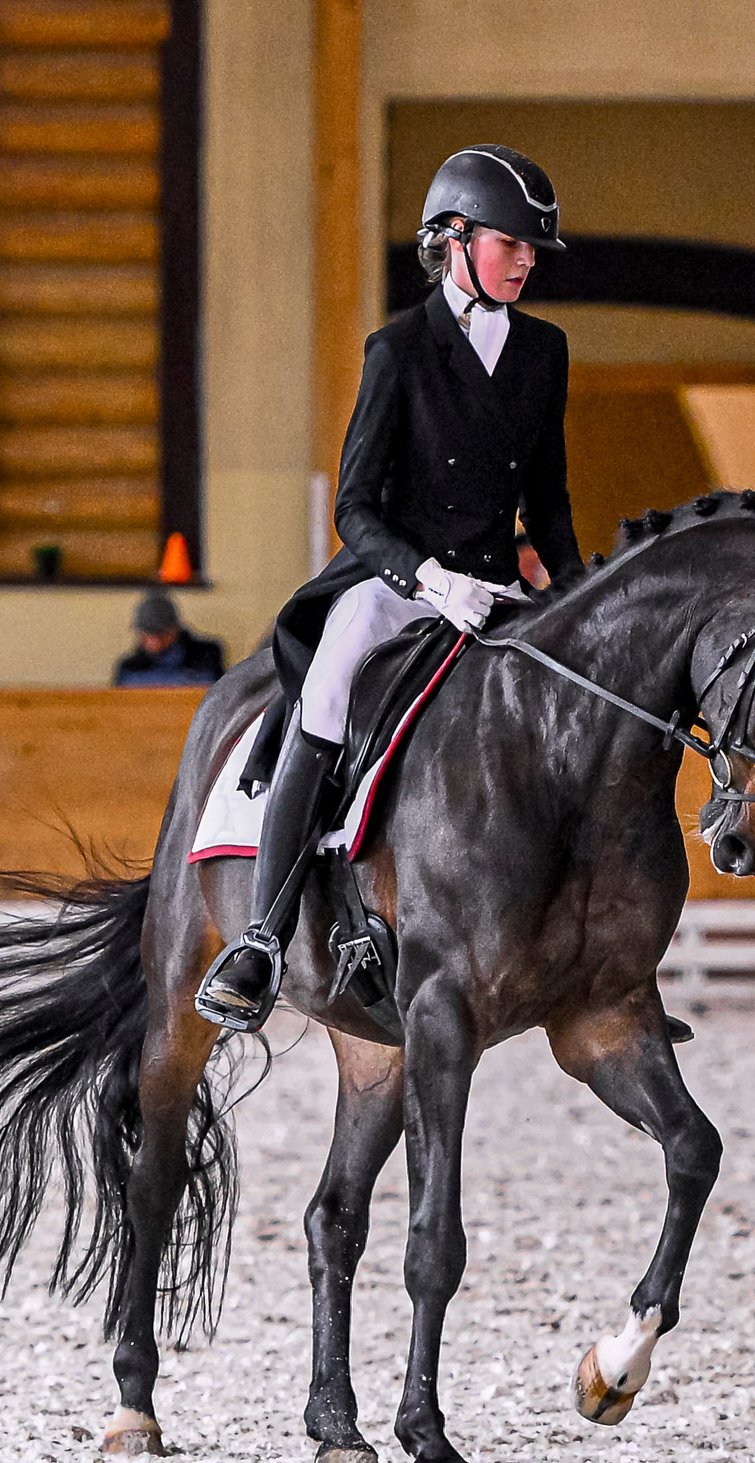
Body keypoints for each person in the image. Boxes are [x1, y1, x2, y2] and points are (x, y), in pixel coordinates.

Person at [194, 144, 584, 1032]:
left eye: (531, 251)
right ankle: (261, 935)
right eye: (511, 244)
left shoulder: (543, 353)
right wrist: (427, 577)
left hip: (493, 588)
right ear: (453, 239)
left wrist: (578, 591)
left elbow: (548, 498)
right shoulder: (399, 350)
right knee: (328, 692)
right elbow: (355, 508)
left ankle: (597, 954)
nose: (526, 262)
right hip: (396, 581)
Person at [115, 592, 226, 686]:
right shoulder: (129, 668)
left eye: (160, 633)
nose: (153, 641)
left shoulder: (206, 656)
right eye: (146, 635)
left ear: (175, 628)